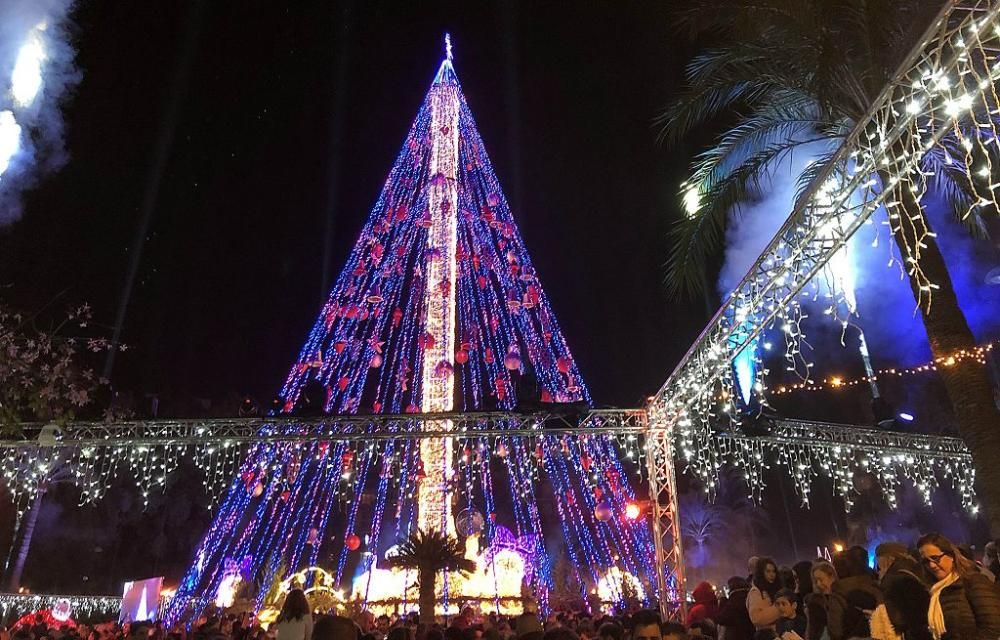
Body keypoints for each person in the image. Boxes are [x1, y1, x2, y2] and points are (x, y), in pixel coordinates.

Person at [917, 532, 1000, 640]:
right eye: (926, 561)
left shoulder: (973, 582)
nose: (931, 565)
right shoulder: (935, 591)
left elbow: (993, 628)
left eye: (935, 558)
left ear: (951, 556)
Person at [870, 542, 930, 640]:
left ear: (887, 559)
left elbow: (897, 618)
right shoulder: (918, 570)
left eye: (878, 559)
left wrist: (878, 615)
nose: (877, 565)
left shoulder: (892, 579)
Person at [748, 558, 782, 631]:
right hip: (768, 634)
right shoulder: (756, 591)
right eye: (768, 571)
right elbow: (756, 618)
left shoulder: (777, 588)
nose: (772, 574)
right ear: (761, 573)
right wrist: (780, 608)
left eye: (773, 571)